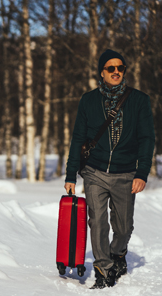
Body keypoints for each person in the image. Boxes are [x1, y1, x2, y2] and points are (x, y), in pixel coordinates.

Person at [64, 49, 155, 289]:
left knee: (123, 227)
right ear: (102, 72)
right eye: (111, 68)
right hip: (94, 171)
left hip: (126, 173)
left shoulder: (139, 100)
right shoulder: (89, 100)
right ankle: (103, 270)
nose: (116, 72)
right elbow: (77, 139)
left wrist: (141, 173)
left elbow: (147, 138)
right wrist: (71, 174)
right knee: (98, 222)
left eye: (120, 68)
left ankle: (118, 254)